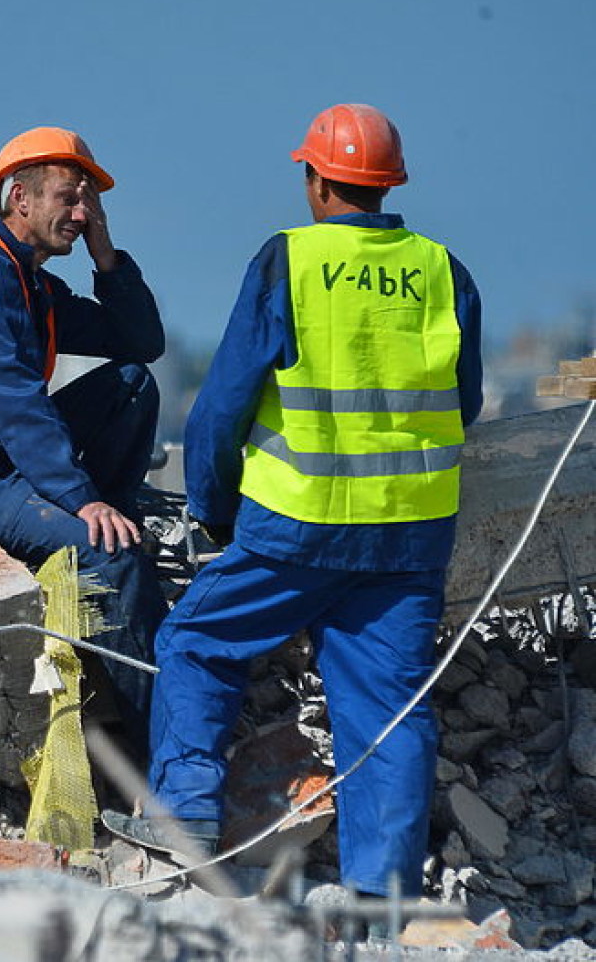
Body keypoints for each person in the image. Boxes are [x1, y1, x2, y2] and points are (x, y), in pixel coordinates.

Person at [104, 104, 483, 902]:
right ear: (389, 186)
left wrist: (212, 508)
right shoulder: (444, 270)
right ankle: (384, 893)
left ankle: (188, 822)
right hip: (410, 536)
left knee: (199, 642)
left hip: (299, 524)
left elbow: (221, 408)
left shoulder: (289, 262)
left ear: (316, 181)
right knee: (388, 705)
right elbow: (467, 401)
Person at [0, 126, 166, 746]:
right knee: (115, 559)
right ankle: (161, 760)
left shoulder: (30, 282)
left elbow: (141, 343)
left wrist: (108, 258)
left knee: (130, 383)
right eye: (69, 199)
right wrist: (81, 499)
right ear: (19, 198)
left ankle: (105, 522)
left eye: (88, 205)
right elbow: (15, 399)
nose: (82, 213)